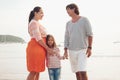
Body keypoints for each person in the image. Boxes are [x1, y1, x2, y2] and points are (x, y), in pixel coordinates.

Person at [63, 3, 93, 80]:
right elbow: (66, 37)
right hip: (71, 51)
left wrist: (89, 48)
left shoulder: (84, 20)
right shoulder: (68, 23)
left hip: (82, 50)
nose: (67, 12)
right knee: (77, 72)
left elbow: (90, 34)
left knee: (82, 71)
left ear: (74, 9)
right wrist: (65, 51)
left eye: (68, 9)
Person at [26, 6, 53, 80]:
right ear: (35, 13)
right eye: (41, 13)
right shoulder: (34, 23)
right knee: (34, 71)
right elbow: (38, 38)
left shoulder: (36, 22)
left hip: (39, 48)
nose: (42, 14)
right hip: (36, 48)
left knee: (37, 71)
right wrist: (47, 48)